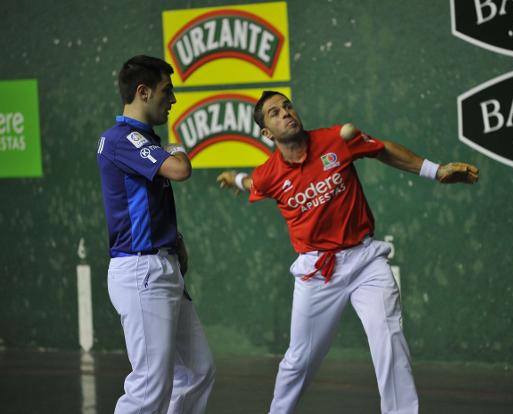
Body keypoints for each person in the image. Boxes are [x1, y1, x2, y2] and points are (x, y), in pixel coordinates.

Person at [216, 90, 479, 414]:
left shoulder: (335, 140)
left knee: (389, 340)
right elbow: (253, 183)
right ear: (267, 133)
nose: (285, 113)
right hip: (317, 272)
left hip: (365, 261)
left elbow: (382, 150)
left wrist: (435, 170)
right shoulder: (270, 174)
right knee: (299, 359)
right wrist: (235, 177)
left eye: (287, 106)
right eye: (274, 113)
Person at [97, 55, 215, 414]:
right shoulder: (122, 138)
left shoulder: (145, 141)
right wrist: (176, 147)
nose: (174, 99)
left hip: (162, 267)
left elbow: (145, 203)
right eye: (168, 91)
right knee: (150, 386)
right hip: (141, 271)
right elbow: (179, 169)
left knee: (198, 371)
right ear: (143, 92)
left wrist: (174, 242)